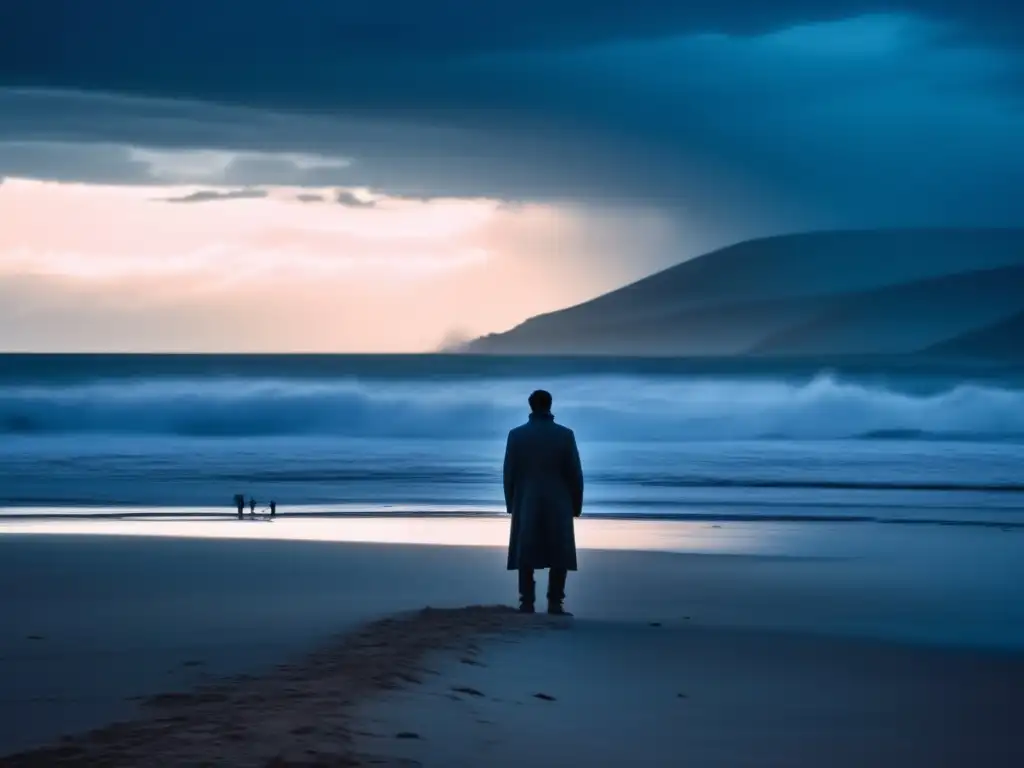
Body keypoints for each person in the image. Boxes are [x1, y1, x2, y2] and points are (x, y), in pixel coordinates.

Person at [503, 389, 584, 616]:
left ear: (531, 406)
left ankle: (526, 602)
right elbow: (575, 473)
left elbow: (509, 471)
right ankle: (555, 603)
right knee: (559, 550)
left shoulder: (516, 435)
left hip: (526, 498)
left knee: (525, 551)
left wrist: (511, 502)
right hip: (559, 499)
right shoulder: (565, 435)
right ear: (550, 405)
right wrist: (577, 504)